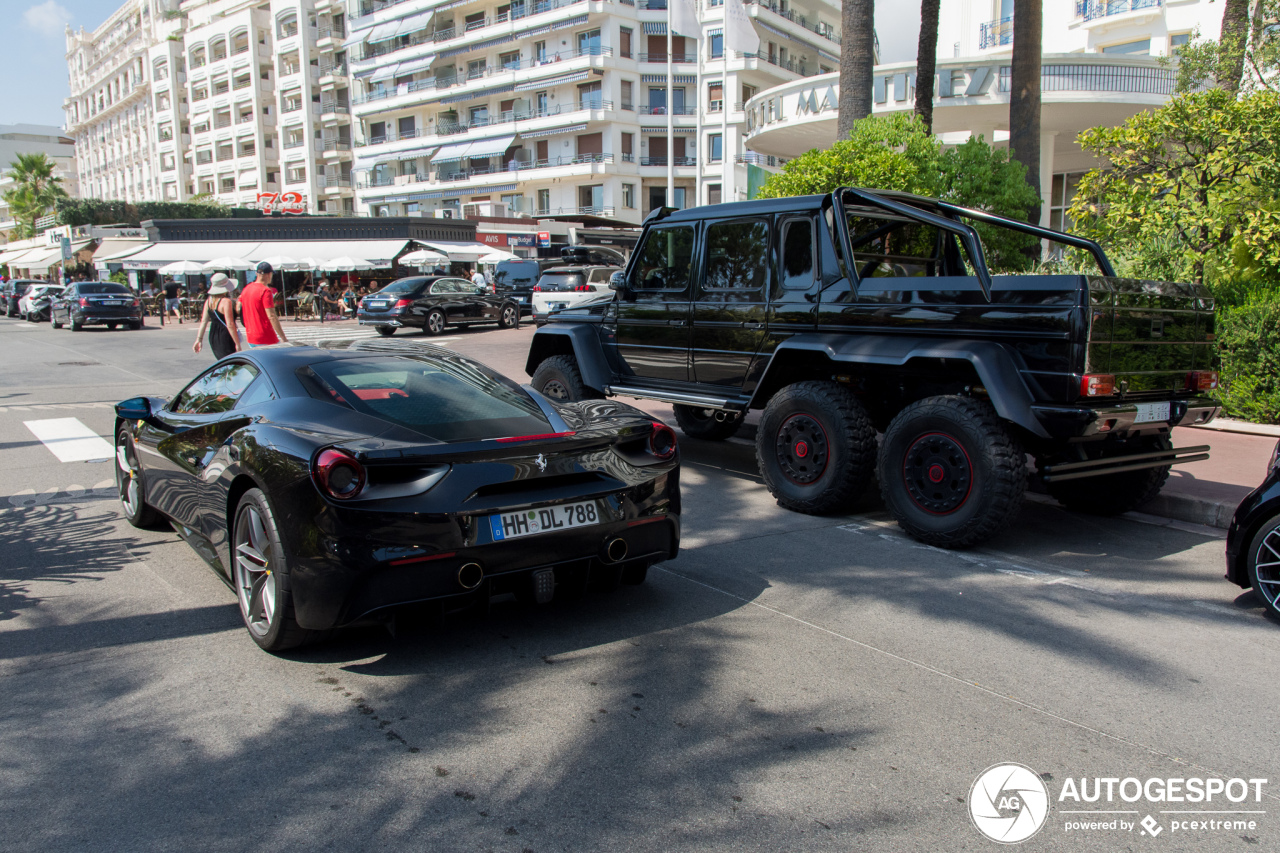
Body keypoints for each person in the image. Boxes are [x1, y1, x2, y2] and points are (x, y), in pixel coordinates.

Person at [192, 273, 241, 359]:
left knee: (222, 362)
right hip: (225, 336)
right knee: (231, 363)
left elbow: (203, 321)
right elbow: (230, 324)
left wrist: (199, 339)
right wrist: (237, 343)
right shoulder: (226, 302)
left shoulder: (209, 301)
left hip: (213, 335)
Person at [240, 261, 287, 347]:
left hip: (251, 336)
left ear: (256, 273)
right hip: (265, 336)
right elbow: (271, 316)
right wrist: (283, 337)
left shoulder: (247, 288)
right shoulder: (265, 291)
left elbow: (238, 306)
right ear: (269, 274)